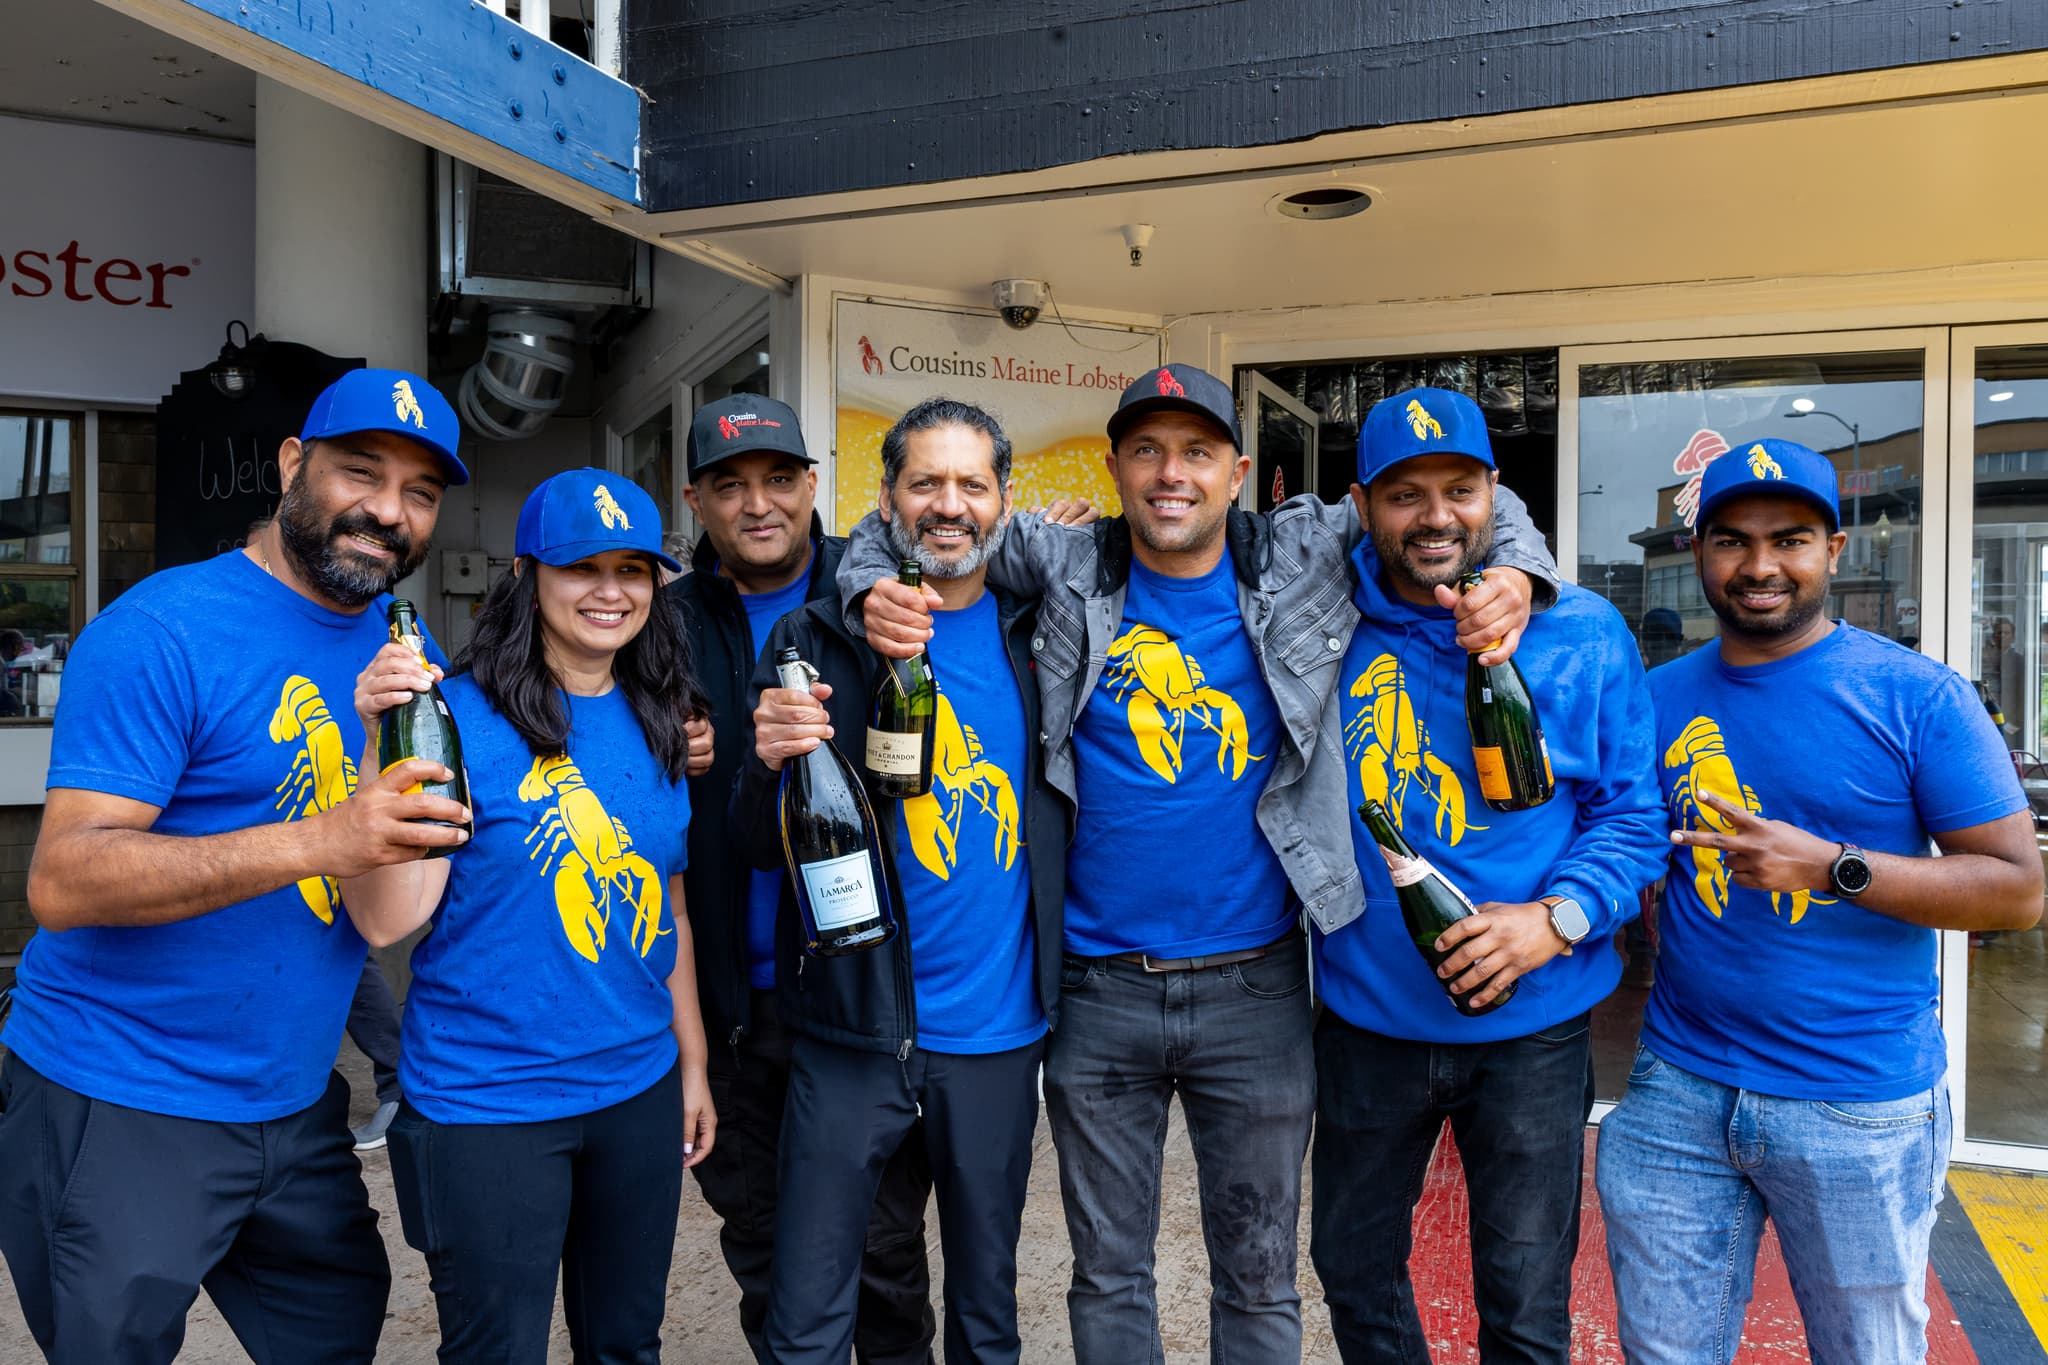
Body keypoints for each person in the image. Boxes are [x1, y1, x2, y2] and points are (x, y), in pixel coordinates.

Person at [845, 363, 1559, 1362]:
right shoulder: (1062, 562)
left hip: (1255, 989)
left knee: (1260, 1280)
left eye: (1194, 452)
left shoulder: (1303, 550)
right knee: (1107, 1276)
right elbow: (901, 527)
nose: (1168, 474)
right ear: (1113, 470)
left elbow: (1472, 505)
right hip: (1098, 994)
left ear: (1235, 473)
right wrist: (870, 593)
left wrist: (1517, 575)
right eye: (1145, 450)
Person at [0, 368, 472, 1365]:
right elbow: (64, 881)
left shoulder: (403, 643)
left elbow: (383, 917)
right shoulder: (162, 632)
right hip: (123, 1098)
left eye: (420, 493)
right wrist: (326, 837)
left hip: (295, 1104)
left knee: (336, 1333)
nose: (387, 512)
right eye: (360, 473)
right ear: (293, 465)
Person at [1596, 438, 2043, 1365]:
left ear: (1835, 549)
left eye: (1790, 538)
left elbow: (2016, 890)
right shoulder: (1655, 696)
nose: (1760, 565)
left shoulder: (1919, 696)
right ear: (1700, 554)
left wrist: (1835, 867)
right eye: (1732, 541)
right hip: (1676, 1088)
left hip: (1858, 1103)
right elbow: (1637, 853)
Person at [1307, 387, 1666, 1363]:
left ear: (1493, 493)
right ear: (1361, 503)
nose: (1432, 516)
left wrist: (1553, 919)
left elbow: (1634, 818)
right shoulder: (1315, 627)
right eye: (1403, 494)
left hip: (1531, 1030)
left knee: (1520, 1295)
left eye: (1457, 489)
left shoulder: (1582, 631)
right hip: (1363, 1020)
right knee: (1348, 1267)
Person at [340, 467, 716, 1362]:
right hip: (486, 1102)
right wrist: (375, 746)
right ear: (527, 574)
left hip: (637, 1086)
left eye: (633, 568)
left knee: (627, 1344)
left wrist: (692, 1061)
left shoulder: (662, 713)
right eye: (583, 566)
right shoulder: (452, 718)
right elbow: (387, 921)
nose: (611, 590)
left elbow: (665, 899)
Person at [737, 397, 1066, 1364]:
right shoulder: (814, 636)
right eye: (926, 481)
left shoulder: (1046, 632)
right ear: (886, 498)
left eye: (972, 483)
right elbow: (757, 844)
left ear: (1005, 499)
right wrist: (763, 765)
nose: (948, 504)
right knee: (806, 1321)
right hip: (849, 1035)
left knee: (986, 1320)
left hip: (997, 1042)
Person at [670, 393, 939, 1363]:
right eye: (730, 484)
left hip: (853, 1001)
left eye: (777, 479)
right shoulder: (659, 626)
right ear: (695, 499)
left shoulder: (872, 602)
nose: (757, 504)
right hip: (730, 1009)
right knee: (771, 1266)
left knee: (882, 1265)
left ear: (811, 485)